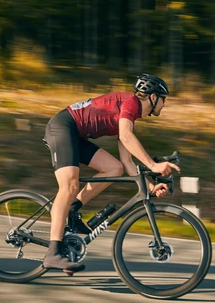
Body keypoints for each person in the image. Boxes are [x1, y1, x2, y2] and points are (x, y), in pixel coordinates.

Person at [42, 73, 181, 273]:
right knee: (70, 185)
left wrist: (149, 188)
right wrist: (153, 165)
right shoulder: (131, 103)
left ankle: (71, 210)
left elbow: (127, 161)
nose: (164, 104)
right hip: (63, 127)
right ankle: (53, 253)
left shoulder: (129, 115)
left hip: (75, 134)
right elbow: (125, 135)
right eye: (163, 99)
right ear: (152, 97)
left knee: (114, 168)